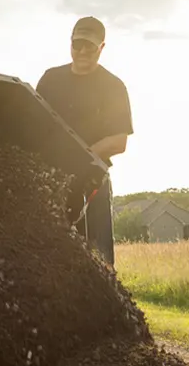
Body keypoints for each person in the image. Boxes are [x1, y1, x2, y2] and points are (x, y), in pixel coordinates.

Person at [35, 16, 133, 265]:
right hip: (50, 177)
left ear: (101, 47)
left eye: (89, 46)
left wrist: (82, 156)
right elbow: (32, 124)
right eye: (77, 44)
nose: (82, 52)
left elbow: (119, 141)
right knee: (46, 253)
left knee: (97, 259)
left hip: (91, 180)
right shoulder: (50, 79)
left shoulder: (113, 87)